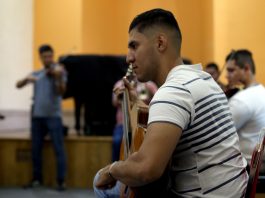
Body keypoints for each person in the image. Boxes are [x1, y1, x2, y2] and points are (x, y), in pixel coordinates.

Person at [93, 8, 248, 197]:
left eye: (134, 46)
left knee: (99, 183)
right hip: (231, 190)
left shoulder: (173, 91)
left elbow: (146, 169)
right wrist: (137, 102)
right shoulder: (201, 78)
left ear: (160, 43)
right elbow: (175, 118)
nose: (128, 57)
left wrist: (112, 169)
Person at [16, 44, 67, 191]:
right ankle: (37, 179)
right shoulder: (37, 74)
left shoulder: (59, 72)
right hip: (37, 117)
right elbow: (18, 85)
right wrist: (27, 79)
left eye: (50, 56)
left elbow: (62, 92)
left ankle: (61, 181)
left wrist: (58, 78)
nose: (48, 59)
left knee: (59, 149)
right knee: (35, 149)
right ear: (40, 58)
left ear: (53, 56)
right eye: (45, 57)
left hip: (54, 117)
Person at [226, 49, 265, 169]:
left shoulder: (242, 100)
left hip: (244, 170)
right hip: (259, 167)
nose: (227, 75)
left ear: (246, 69)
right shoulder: (262, 91)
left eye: (231, 70)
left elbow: (220, 134)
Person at [112, 79, 157, 162]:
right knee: (117, 141)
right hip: (122, 123)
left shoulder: (149, 85)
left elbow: (157, 103)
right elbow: (114, 102)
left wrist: (149, 92)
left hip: (142, 123)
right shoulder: (120, 84)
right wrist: (122, 95)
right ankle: (115, 164)